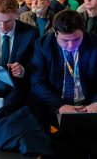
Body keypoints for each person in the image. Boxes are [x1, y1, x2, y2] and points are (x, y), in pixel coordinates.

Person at [30, 10, 97, 157]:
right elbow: (37, 83)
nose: (71, 45)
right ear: (55, 33)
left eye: (77, 39)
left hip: (88, 104)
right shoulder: (43, 45)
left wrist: (96, 102)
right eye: (65, 41)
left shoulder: (94, 43)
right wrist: (60, 105)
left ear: (83, 31)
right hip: (55, 103)